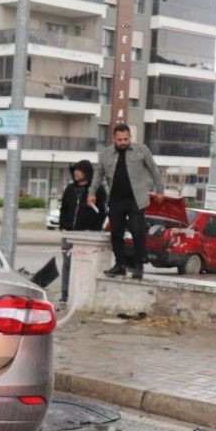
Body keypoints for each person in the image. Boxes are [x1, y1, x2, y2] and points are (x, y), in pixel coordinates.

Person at [89, 122, 165, 280]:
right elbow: (98, 174)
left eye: (126, 139)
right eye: (120, 140)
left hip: (136, 199)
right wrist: (92, 192)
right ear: (114, 138)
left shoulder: (141, 150)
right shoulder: (106, 153)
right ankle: (120, 265)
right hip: (116, 199)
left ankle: (138, 265)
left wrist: (160, 190)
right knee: (116, 233)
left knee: (137, 231)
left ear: (130, 136)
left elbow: (154, 169)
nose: (123, 142)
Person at [56, 159, 107, 303]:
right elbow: (63, 209)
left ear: (86, 173)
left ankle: (80, 293)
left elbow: (102, 212)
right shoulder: (70, 189)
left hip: (86, 235)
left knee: (83, 264)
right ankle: (65, 293)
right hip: (69, 233)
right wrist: (63, 226)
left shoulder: (97, 190)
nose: (76, 173)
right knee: (67, 263)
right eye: (75, 171)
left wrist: (93, 229)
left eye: (79, 170)